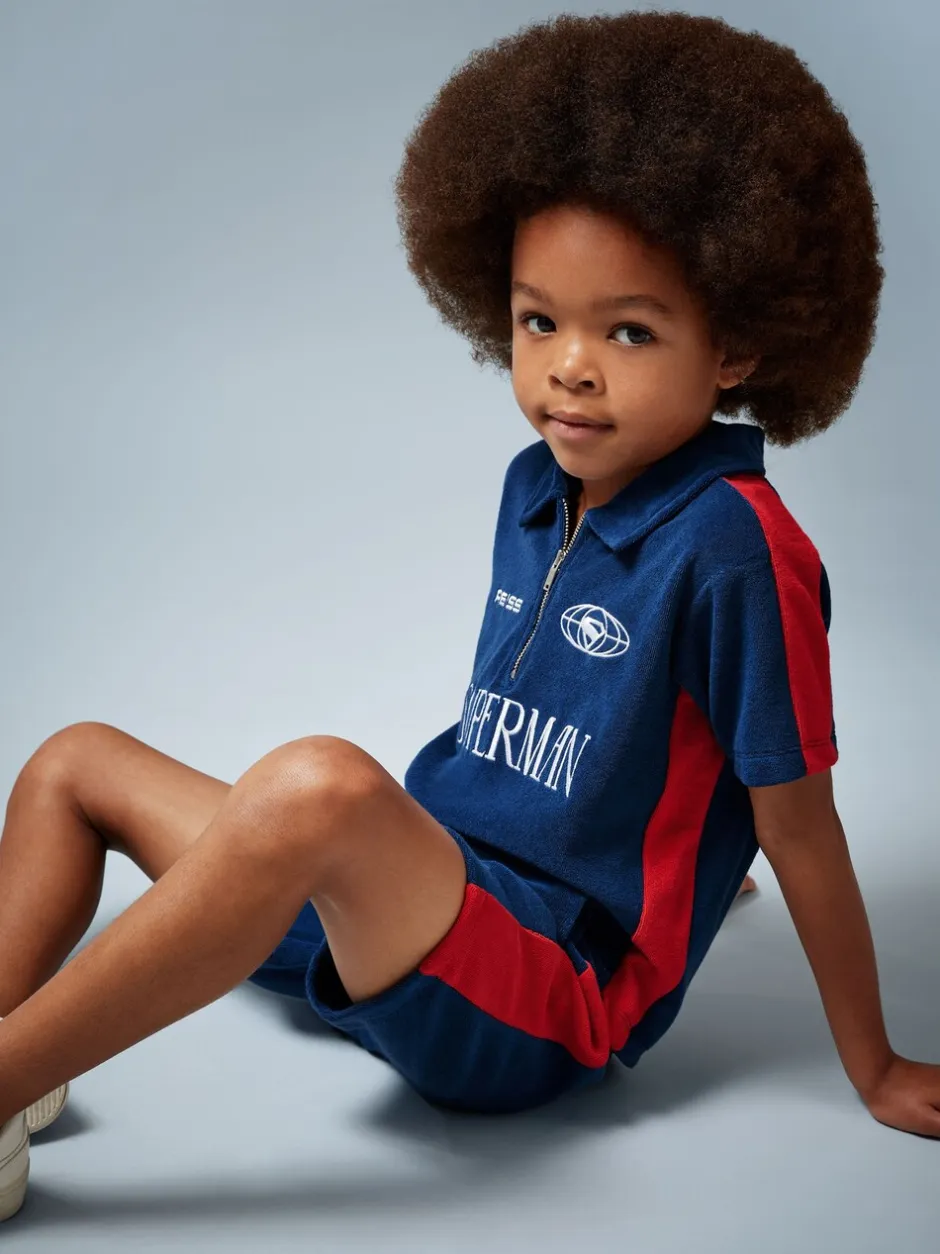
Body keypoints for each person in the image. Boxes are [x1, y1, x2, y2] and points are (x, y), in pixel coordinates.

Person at [2, 7, 938, 1224]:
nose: (569, 367)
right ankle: (18, 1064)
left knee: (319, 785)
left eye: (630, 330)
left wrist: (873, 1065)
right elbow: (630, 738)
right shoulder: (536, 483)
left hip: (539, 994)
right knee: (77, 763)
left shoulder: (738, 551)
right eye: (539, 319)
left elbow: (796, 822)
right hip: (409, 900)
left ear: (738, 346)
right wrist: (702, 867)